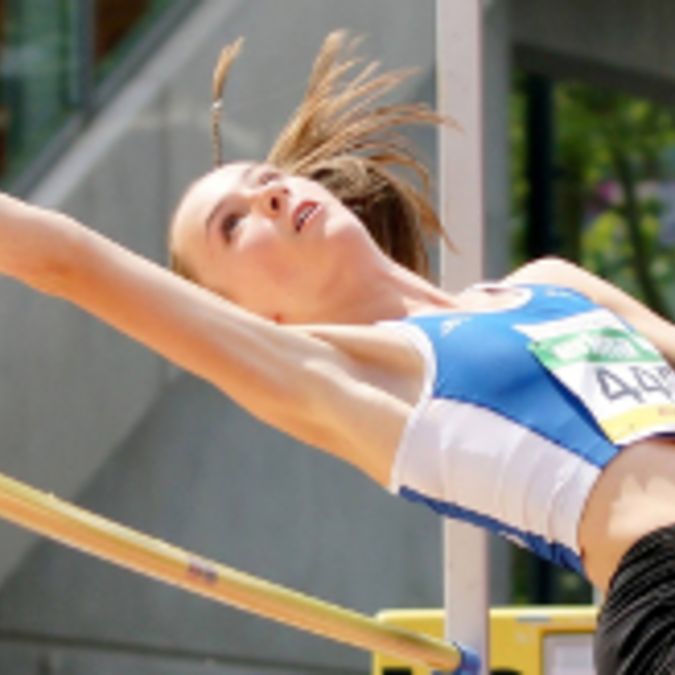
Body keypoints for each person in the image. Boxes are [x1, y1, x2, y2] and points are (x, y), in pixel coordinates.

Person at [1, 31, 675, 674]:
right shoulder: (344, 377)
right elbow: (68, 261)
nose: (268, 195)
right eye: (231, 225)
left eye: (267, 178)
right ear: (246, 319)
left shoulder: (551, 284)